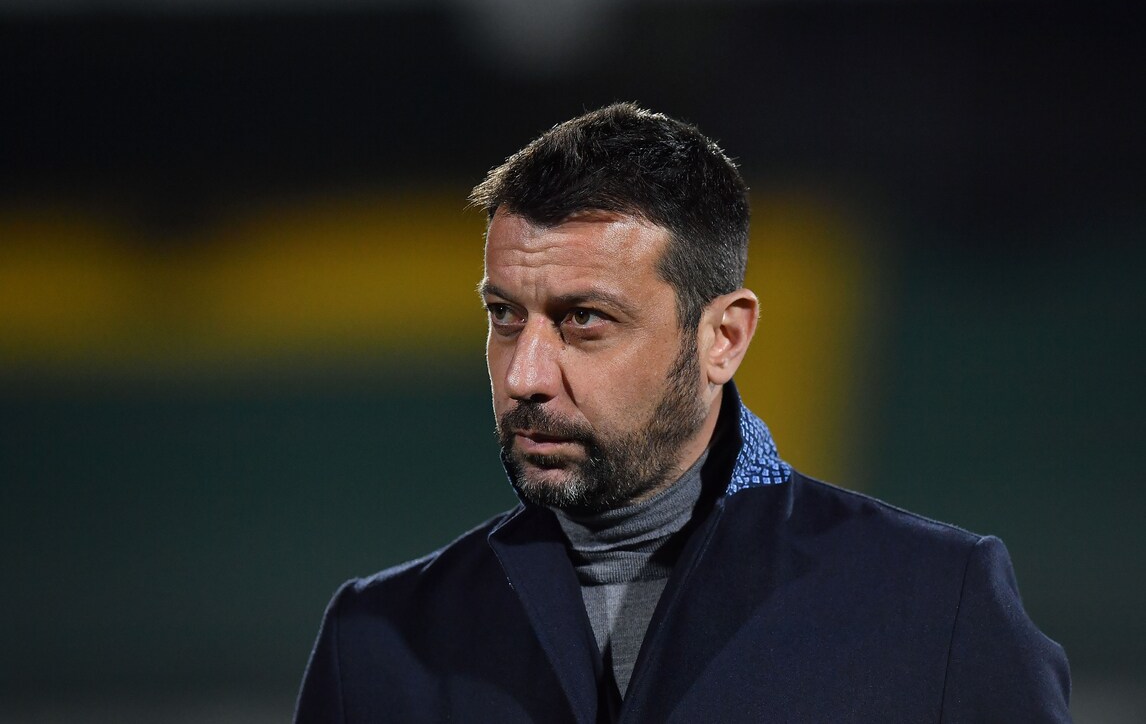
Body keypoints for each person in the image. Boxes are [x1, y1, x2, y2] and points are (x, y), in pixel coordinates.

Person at [294, 103, 1071, 722]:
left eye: (584, 320)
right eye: (504, 316)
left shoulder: (936, 605)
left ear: (723, 338)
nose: (525, 376)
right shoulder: (375, 643)